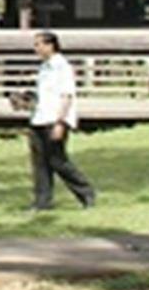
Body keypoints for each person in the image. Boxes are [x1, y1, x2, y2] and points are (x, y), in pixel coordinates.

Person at [22, 30, 95, 211]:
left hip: (54, 119)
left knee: (58, 160)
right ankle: (42, 201)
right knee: (40, 163)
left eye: (39, 44)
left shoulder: (62, 66)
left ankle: (86, 192)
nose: (36, 48)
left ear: (50, 45)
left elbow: (67, 95)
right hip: (39, 118)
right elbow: (43, 95)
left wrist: (60, 122)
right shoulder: (43, 67)